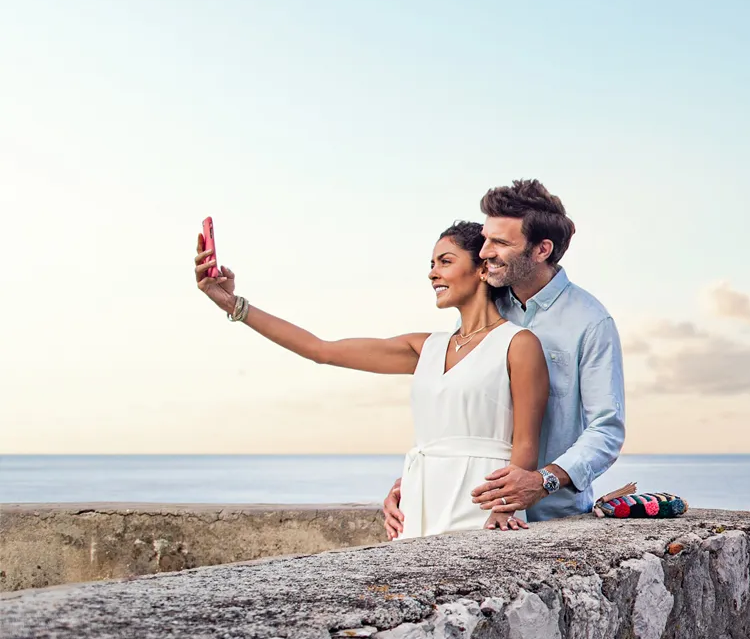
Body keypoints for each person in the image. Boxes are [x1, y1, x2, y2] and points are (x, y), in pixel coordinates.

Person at [192, 222, 548, 539]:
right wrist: (232, 304)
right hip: (419, 500)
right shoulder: (425, 347)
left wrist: (505, 507)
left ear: (482, 269)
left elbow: (526, 441)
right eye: (431, 264)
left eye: (445, 261)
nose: (432, 274)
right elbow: (321, 349)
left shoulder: (517, 343)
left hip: (483, 500)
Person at [382, 179, 627, 537]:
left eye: (500, 242)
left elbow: (605, 429)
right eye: (485, 239)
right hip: (473, 513)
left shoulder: (590, 323)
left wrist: (544, 481)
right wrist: (414, 482)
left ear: (541, 249)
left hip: (550, 521)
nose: (484, 252)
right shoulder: (486, 308)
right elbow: (464, 412)